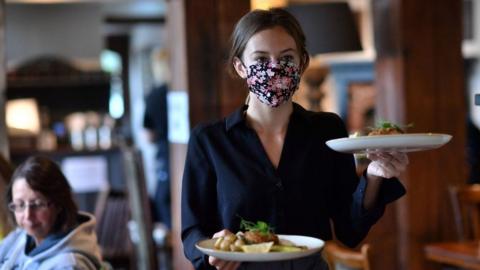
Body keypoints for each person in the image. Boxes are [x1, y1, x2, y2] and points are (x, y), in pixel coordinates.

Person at [181, 8, 409, 270]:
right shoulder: (209, 140)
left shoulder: (327, 130)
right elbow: (191, 231)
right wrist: (213, 247)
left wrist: (376, 176)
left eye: (286, 57)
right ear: (240, 67)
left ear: (302, 63)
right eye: (261, 58)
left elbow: (349, 228)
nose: (275, 67)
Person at [0, 156, 107, 269]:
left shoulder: (68, 265)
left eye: (37, 204)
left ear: (59, 203)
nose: (28, 216)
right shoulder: (22, 237)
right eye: (20, 205)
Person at [143, 48, 172, 229]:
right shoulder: (185, 89)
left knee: (163, 199)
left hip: (165, 154)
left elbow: (148, 135)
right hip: (190, 151)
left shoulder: (155, 95)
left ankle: (172, 239)